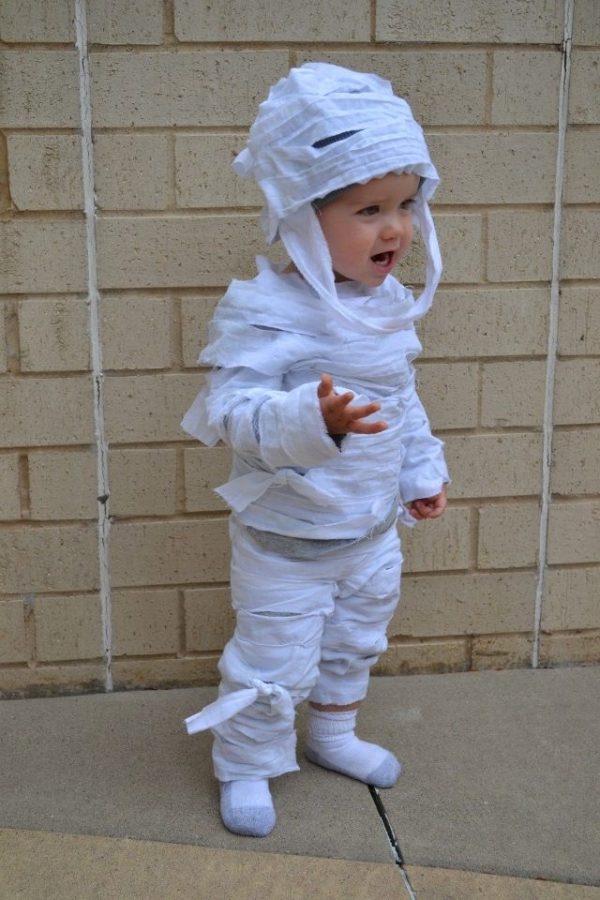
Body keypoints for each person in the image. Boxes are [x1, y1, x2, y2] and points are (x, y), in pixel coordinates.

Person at [181, 62, 449, 838]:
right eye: (368, 209)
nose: (395, 228)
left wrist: (418, 471)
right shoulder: (265, 310)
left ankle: (333, 736)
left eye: (406, 204)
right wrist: (312, 418)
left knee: (356, 637)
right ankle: (247, 764)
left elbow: (402, 400)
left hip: (369, 532)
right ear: (300, 215)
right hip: (286, 543)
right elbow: (232, 411)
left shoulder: (386, 307)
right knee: (272, 660)